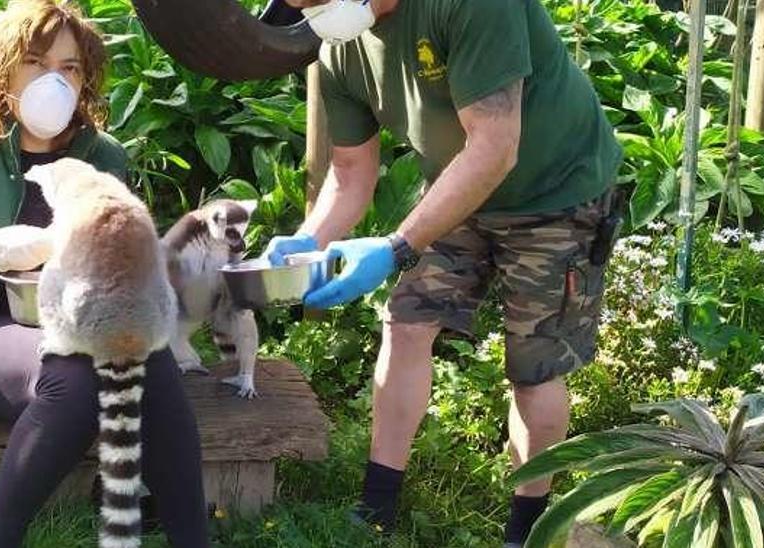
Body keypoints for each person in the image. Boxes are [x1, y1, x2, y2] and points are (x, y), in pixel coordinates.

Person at [265, 0, 623, 545]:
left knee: (534, 367)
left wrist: (397, 246)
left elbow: (495, 147)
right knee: (406, 325)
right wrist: (308, 240)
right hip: (459, 190)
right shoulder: (338, 44)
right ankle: (375, 509)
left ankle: (526, 529)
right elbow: (349, 172)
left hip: (558, 193)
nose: (312, 10)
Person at [0, 1, 208, 546]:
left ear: (86, 81)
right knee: (75, 379)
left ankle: (193, 539)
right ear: (3, 69)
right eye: (36, 62)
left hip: (84, 321)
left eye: (70, 67)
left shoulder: (102, 158)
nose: (54, 80)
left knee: (150, 364)